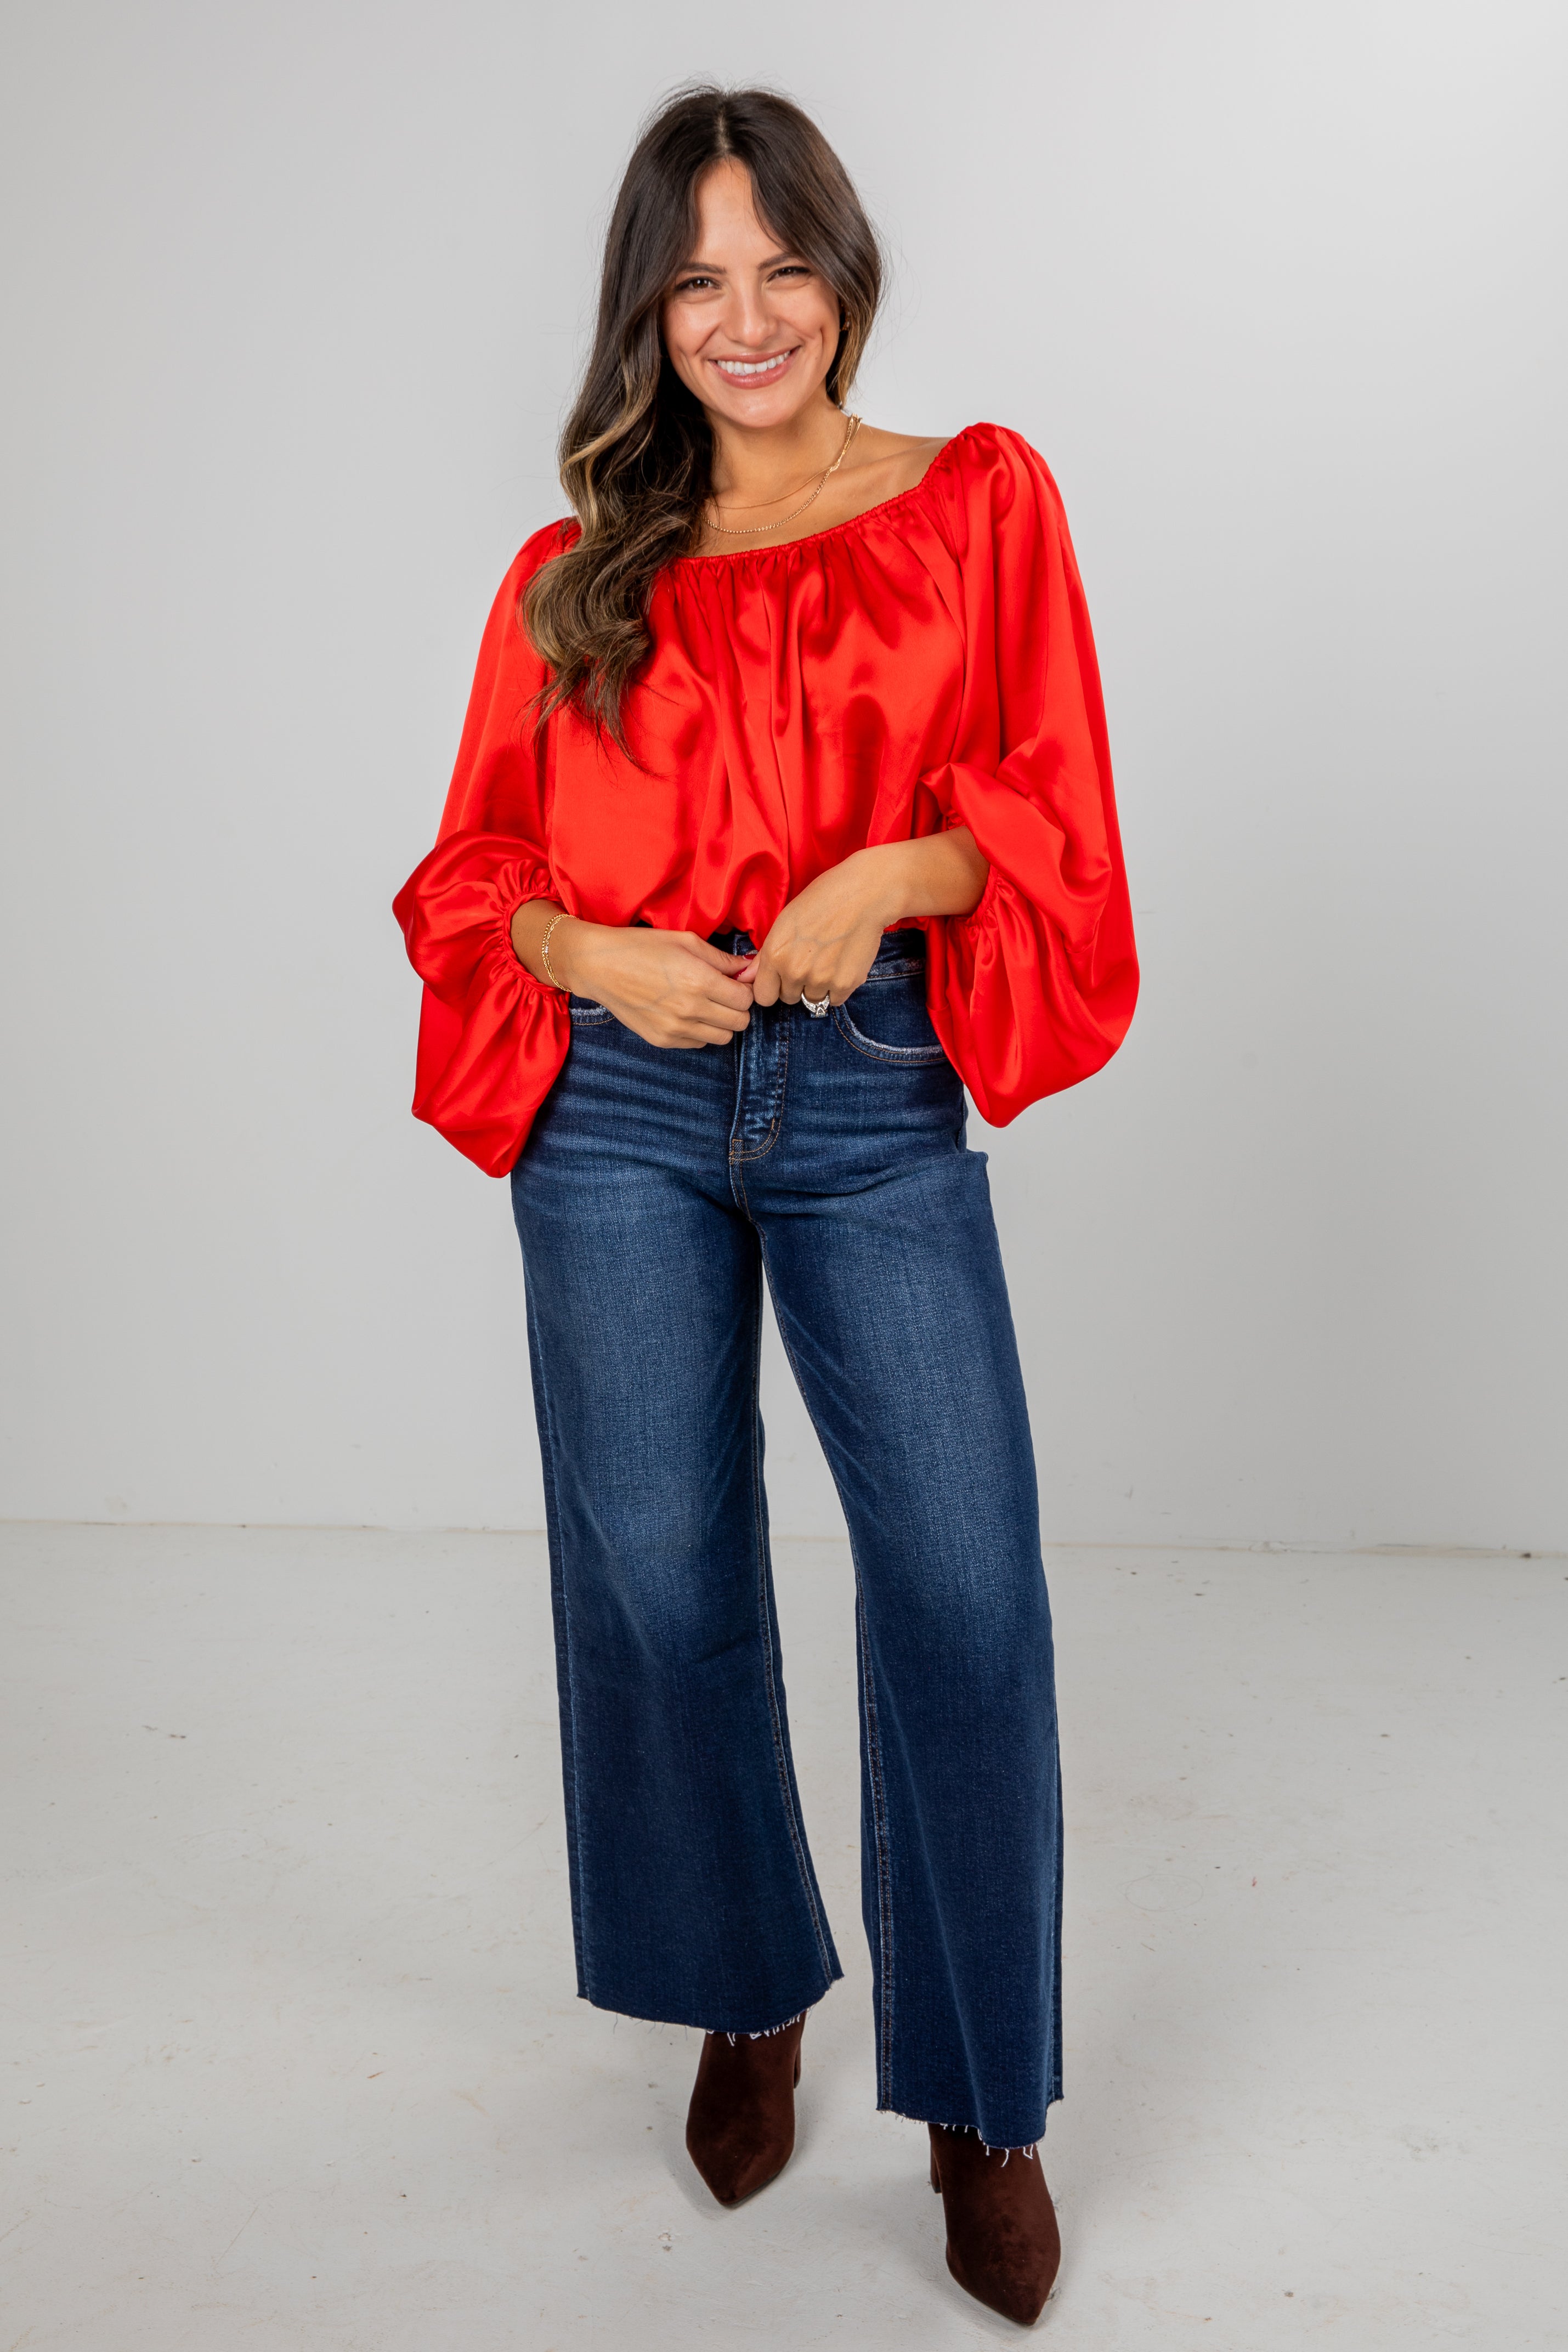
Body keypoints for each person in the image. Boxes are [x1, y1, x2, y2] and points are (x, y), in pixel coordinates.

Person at [393, 83, 1137, 2329]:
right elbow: (469, 879)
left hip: (871, 1086)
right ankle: (746, 1987)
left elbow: (1051, 818)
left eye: (775, 264)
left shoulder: (973, 504)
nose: (742, 318)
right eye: (692, 278)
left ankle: (983, 2104)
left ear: (842, 265)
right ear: (646, 308)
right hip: (615, 1109)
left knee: (962, 1592)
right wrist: (589, 956)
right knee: (655, 1578)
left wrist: (890, 875)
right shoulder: (571, 576)